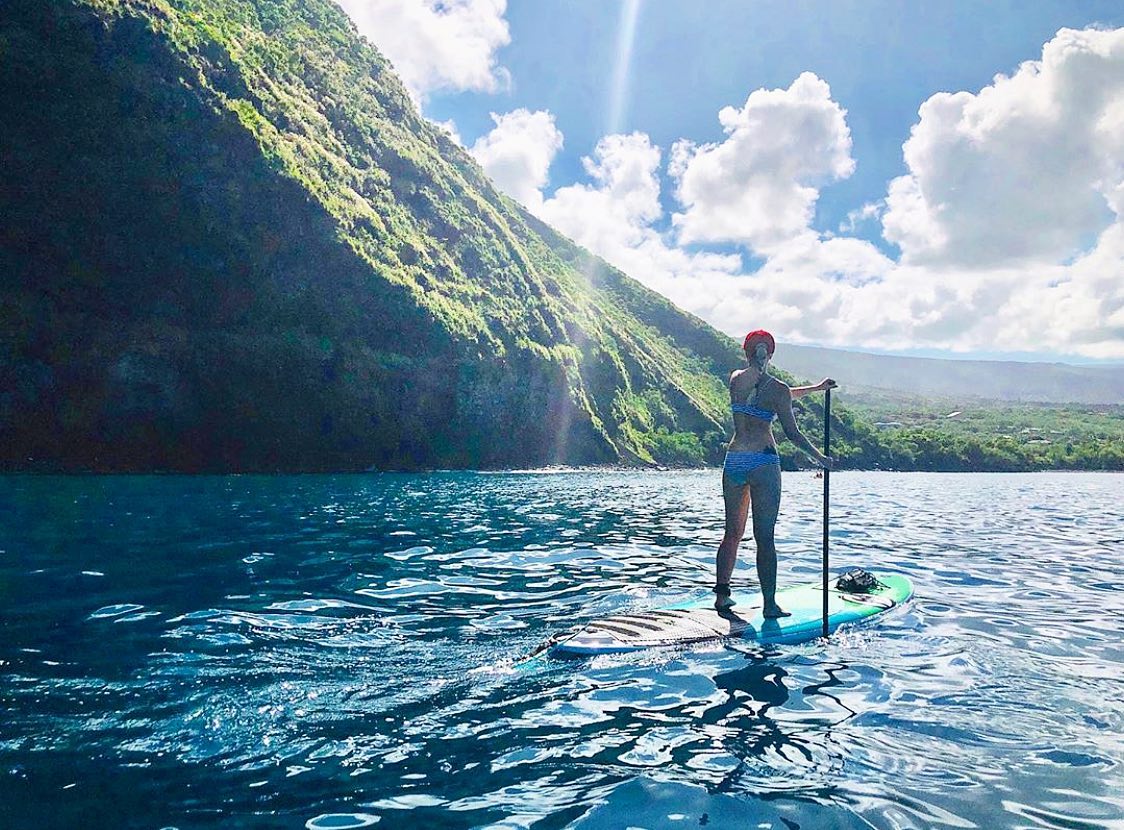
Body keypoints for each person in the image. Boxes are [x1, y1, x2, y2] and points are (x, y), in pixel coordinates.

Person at [715, 330, 835, 616]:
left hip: (735, 461)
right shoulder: (777, 389)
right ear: (769, 354)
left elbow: (773, 391)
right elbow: (792, 432)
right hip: (764, 463)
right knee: (764, 537)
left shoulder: (736, 380)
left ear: (747, 353)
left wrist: (815, 388)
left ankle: (722, 597)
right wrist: (820, 458)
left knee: (731, 533)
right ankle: (769, 604)